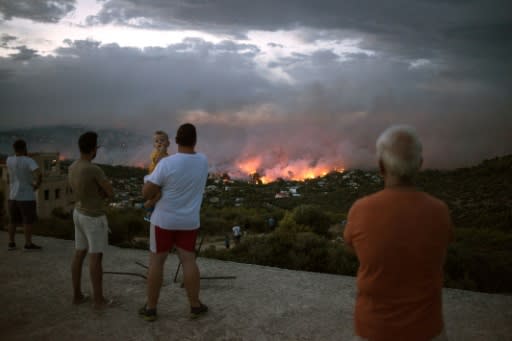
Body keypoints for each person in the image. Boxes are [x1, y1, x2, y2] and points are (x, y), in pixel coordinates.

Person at [343, 125, 453, 341]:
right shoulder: (439, 211)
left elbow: (351, 247)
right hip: (426, 330)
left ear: (381, 166)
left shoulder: (361, 210)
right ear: (420, 165)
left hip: (374, 330)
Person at [138, 123, 208, 322]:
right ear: (195, 141)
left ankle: (151, 308)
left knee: (156, 263)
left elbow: (146, 192)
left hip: (163, 221)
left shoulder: (167, 164)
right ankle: (195, 306)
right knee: (189, 261)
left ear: (175, 141)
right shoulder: (203, 161)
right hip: (189, 222)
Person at [68, 131, 114, 309]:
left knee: (79, 253)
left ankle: (77, 295)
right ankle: (98, 300)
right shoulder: (93, 169)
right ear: (94, 149)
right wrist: (102, 192)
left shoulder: (73, 167)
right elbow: (110, 192)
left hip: (78, 212)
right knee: (95, 258)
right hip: (94, 217)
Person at [6, 139, 42, 251]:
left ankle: (11, 243)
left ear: (14, 148)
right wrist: (37, 185)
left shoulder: (9, 159)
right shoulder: (29, 160)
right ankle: (28, 244)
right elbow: (38, 173)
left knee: (12, 220)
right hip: (26, 195)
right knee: (28, 220)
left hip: (12, 195)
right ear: (24, 148)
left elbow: (8, 177)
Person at [143, 130, 170, 222]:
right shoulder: (156, 154)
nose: (159, 143)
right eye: (157, 141)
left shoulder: (167, 155)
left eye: (162, 140)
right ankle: (149, 207)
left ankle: (151, 210)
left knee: (160, 195)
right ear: (154, 145)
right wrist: (161, 152)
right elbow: (159, 162)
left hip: (158, 179)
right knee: (158, 195)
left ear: (168, 143)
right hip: (152, 178)